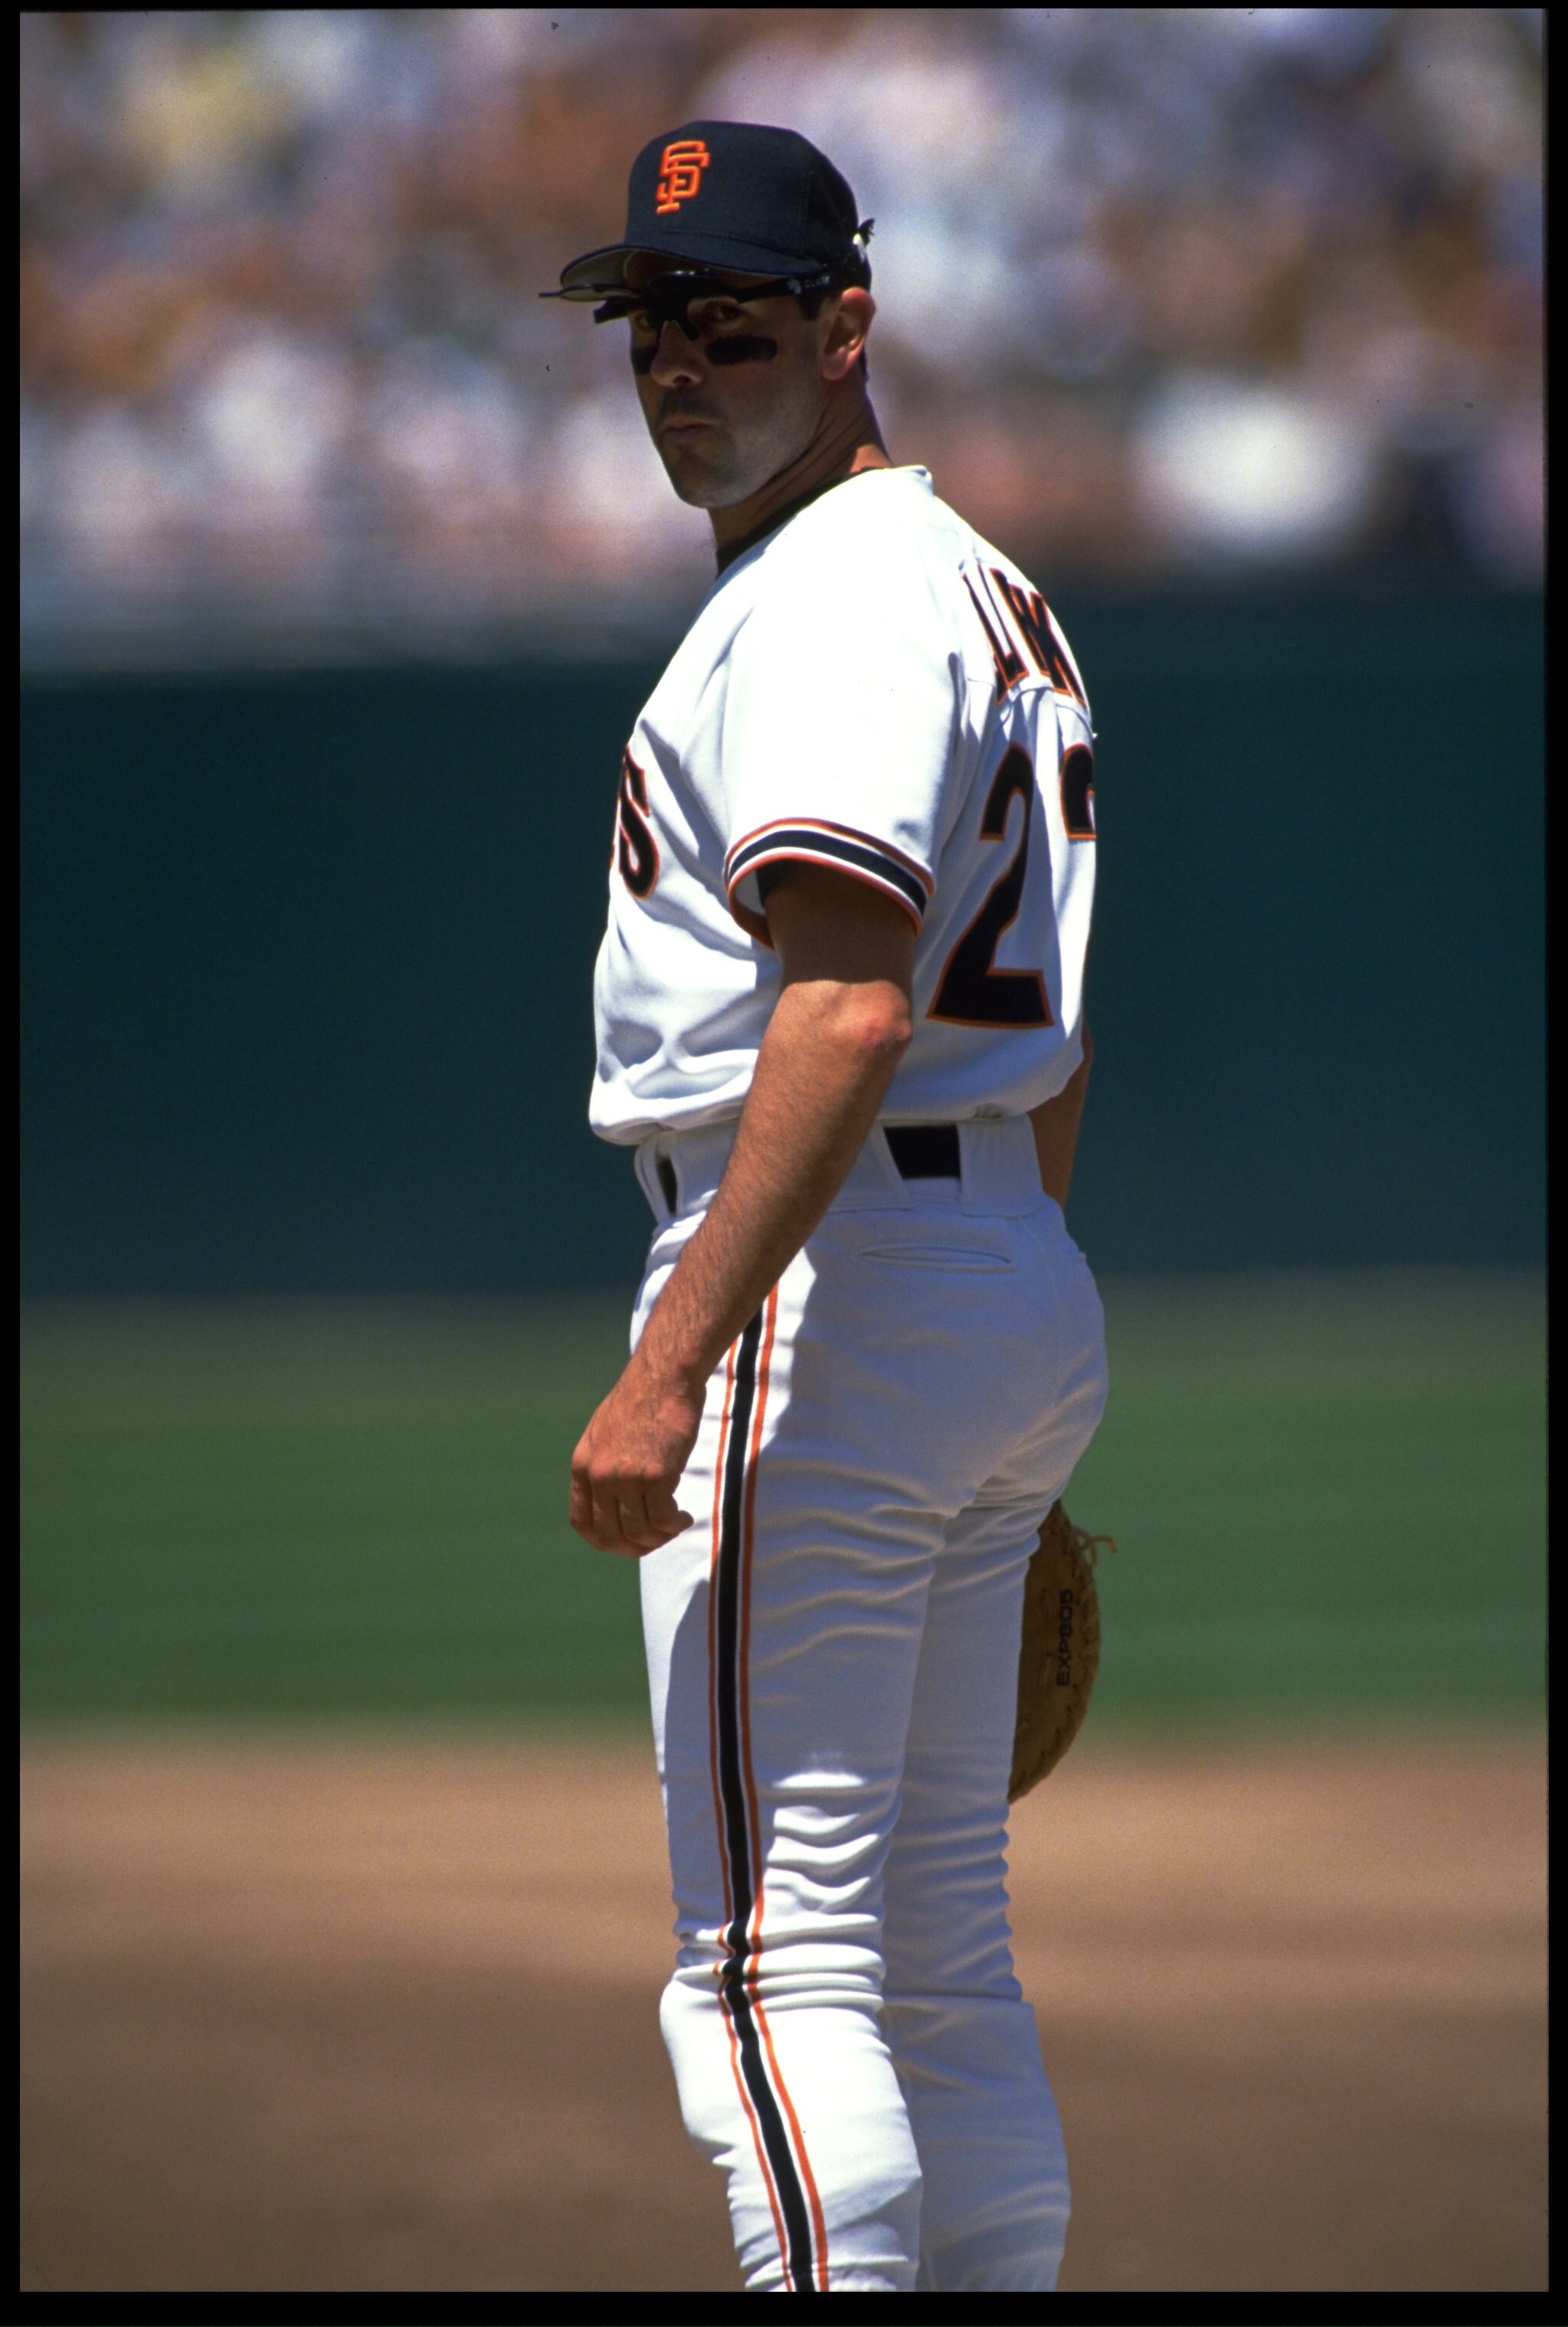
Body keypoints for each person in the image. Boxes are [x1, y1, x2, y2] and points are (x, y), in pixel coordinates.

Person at [551, 121, 1108, 2295]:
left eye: (736, 323)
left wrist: (679, 1350)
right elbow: (1036, 1038)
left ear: (850, 327)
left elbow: (852, 1009)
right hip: (980, 1274)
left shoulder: (833, 600)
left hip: (822, 1282)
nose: (681, 366)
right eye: (651, 327)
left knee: (770, 1972)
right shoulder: (983, 585)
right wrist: (996, 1347)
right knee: (934, 1951)